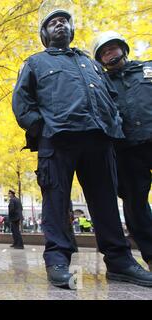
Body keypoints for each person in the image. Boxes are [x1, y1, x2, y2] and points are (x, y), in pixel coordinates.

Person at [12, 0, 152, 289]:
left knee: (106, 205)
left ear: (71, 28)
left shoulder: (89, 62)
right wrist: (44, 129)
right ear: (44, 33)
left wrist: (111, 123)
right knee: (56, 203)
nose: (60, 24)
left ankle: (119, 262)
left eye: (64, 20)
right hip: (59, 141)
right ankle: (58, 262)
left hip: (99, 142)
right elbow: (22, 102)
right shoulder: (35, 62)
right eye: (53, 22)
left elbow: (111, 97)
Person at [93, 31, 152, 271]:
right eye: (104, 52)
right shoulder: (100, 83)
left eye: (112, 48)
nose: (110, 53)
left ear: (123, 49)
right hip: (126, 149)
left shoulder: (147, 69)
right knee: (135, 204)